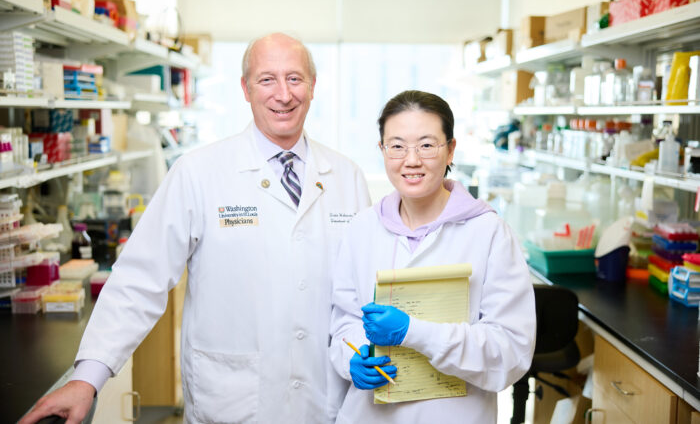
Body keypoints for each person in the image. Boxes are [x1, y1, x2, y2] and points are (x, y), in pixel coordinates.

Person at [20, 33, 371, 424]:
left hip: (325, 402)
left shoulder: (347, 177)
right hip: (233, 403)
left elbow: (359, 296)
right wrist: (87, 379)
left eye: (295, 78)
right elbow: (141, 277)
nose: (283, 94)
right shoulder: (199, 172)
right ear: (245, 88)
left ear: (313, 86)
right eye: (267, 79)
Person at [329, 90, 536, 423]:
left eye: (426, 145)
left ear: (450, 149)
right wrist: (352, 357)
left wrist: (415, 333)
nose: (411, 160)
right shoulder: (361, 230)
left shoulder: (489, 233)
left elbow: (510, 352)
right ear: (382, 150)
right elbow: (345, 322)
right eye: (396, 146)